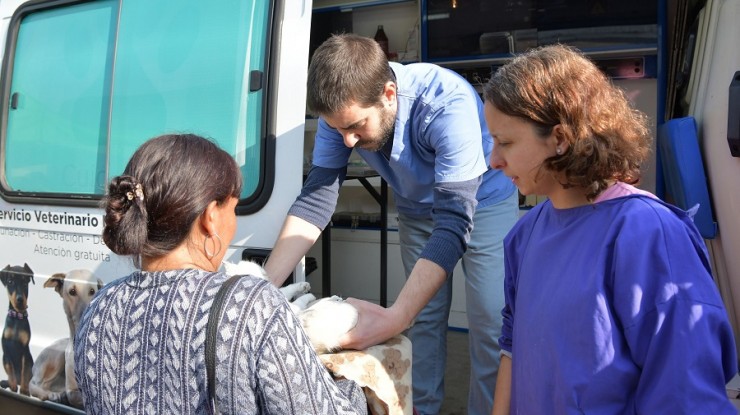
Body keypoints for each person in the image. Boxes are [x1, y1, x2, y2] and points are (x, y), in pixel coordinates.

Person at [263, 34, 519, 415]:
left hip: (481, 202)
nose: (348, 140)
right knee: (425, 319)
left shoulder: (445, 102)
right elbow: (317, 198)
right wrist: (261, 289)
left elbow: (452, 222)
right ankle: (421, 409)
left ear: (388, 93)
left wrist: (394, 318)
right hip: (417, 206)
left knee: (489, 320)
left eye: (356, 126)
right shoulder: (342, 118)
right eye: (339, 130)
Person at [483, 44, 738, 414]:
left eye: (505, 142)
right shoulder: (524, 236)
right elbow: (512, 346)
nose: (494, 160)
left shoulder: (648, 234)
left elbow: (685, 393)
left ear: (559, 138)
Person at [74, 134, 367, 414]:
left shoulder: (98, 308)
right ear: (211, 216)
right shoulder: (250, 304)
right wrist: (355, 382)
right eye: (233, 209)